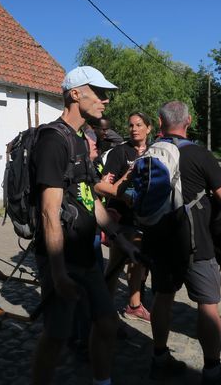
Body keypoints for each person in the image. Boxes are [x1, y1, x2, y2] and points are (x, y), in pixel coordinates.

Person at [32, 66, 138, 385]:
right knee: (56, 336)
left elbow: (90, 199)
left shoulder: (79, 140)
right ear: (76, 94)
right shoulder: (53, 140)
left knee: (106, 323)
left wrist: (122, 239)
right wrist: (58, 271)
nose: (106, 100)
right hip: (62, 258)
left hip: (86, 256)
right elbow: (49, 212)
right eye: (100, 93)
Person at [143, 101, 221, 385]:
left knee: (162, 297)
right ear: (188, 121)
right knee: (208, 304)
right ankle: (212, 371)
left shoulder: (150, 152)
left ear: (160, 122)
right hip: (193, 241)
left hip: (157, 238)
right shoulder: (200, 154)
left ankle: (159, 358)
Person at [95, 112, 153, 323]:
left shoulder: (155, 150)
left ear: (149, 127)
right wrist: (125, 188)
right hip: (122, 217)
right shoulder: (120, 152)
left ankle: (135, 305)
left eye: (139, 125)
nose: (134, 129)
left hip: (146, 218)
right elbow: (104, 186)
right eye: (131, 125)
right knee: (116, 264)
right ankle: (105, 310)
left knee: (138, 262)